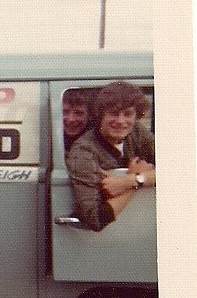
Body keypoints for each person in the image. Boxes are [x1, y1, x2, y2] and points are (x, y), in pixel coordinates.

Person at [66, 80, 155, 231]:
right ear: (100, 115)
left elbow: (181, 169)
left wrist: (130, 180)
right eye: (113, 113)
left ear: (136, 116)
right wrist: (134, 185)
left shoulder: (136, 132)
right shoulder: (83, 151)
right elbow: (94, 219)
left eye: (128, 114)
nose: (121, 121)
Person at [62, 88, 93, 153]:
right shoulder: (48, 138)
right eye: (65, 112)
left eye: (79, 113)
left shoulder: (97, 141)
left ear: (89, 115)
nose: (71, 119)